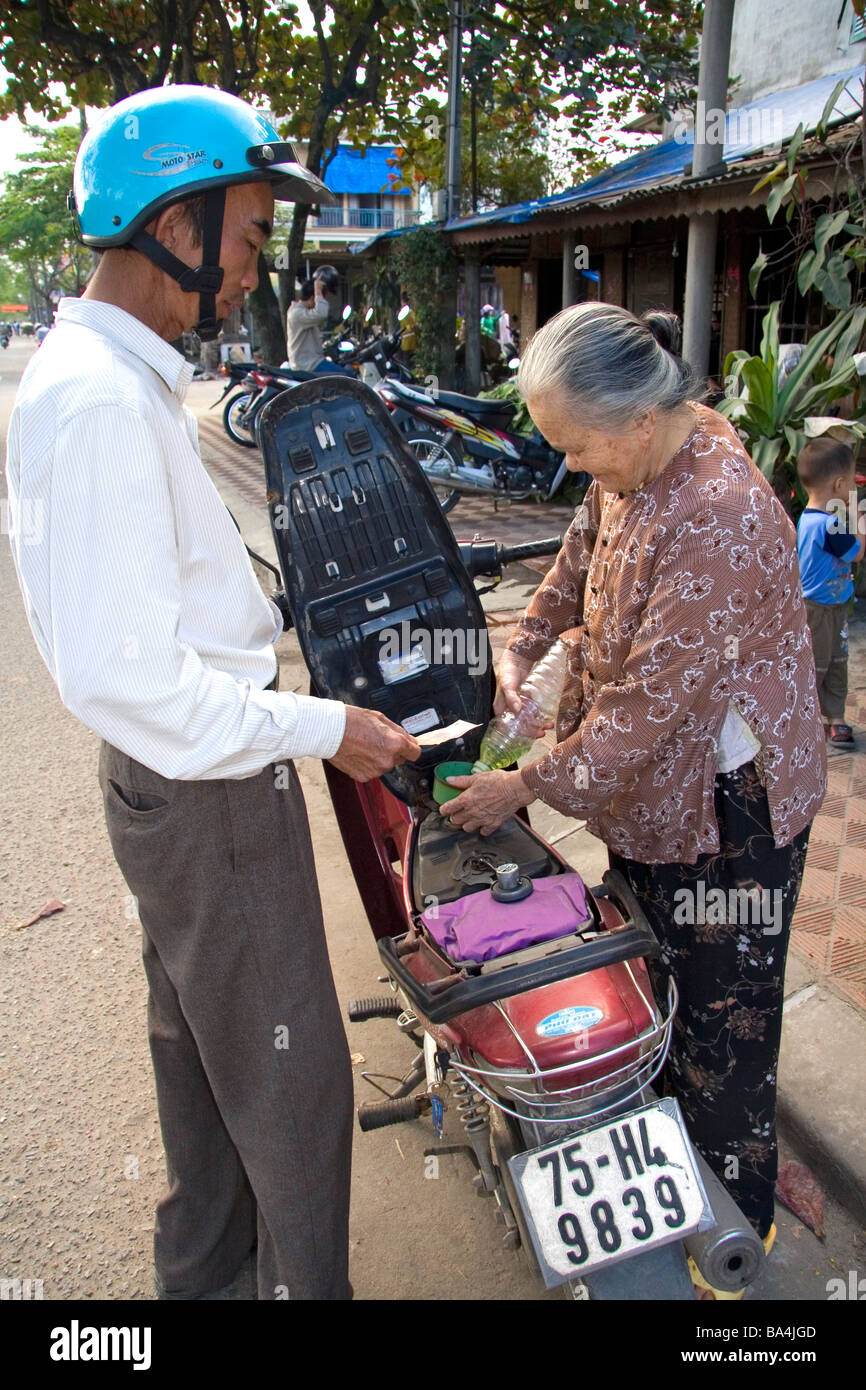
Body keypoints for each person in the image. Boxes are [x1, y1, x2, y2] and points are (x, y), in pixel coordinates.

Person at [5, 83, 420, 1302]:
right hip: (210, 798)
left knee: (208, 1086)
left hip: (187, 797)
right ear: (172, 223)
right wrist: (327, 727)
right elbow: (137, 681)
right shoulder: (94, 398)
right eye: (243, 237)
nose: (252, 271)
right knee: (291, 1105)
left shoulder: (113, 377)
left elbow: (155, 610)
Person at [440, 302, 827, 1296]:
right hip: (659, 787)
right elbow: (579, 551)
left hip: (729, 802)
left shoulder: (720, 513)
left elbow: (647, 716)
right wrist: (523, 647)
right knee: (652, 964)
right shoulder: (634, 456)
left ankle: (735, 1228)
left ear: (636, 419)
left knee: (723, 1018)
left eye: (576, 446)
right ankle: (660, 1151)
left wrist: (521, 780)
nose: (573, 466)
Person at [796, 437, 864, 746]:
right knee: (823, 664)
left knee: (833, 660)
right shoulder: (830, 525)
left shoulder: (808, 518)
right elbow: (857, 552)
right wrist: (861, 517)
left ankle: (833, 718)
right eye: (852, 482)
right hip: (821, 610)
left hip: (826, 606)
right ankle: (816, 719)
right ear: (839, 485)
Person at [285, 265, 341, 372]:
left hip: (313, 361)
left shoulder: (302, 311)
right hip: (307, 365)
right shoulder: (297, 313)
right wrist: (318, 292)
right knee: (348, 377)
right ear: (312, 298)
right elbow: (321, 314)